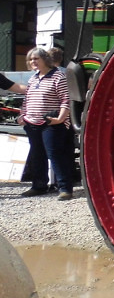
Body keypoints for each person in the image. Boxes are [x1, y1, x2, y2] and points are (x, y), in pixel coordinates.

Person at [17, 47, 74, 200]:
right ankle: (39, 186)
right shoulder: (33, 78)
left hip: (51, 123)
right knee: (37, 155)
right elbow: (27, 99)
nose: (32, 62)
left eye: (36, 58)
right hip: (32, 122)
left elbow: (66, 99)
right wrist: (23, 115)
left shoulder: (58, 77)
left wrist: (61, 118)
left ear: (45, 60)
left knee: (55, 154)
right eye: (30, 59)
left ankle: (65, 188)